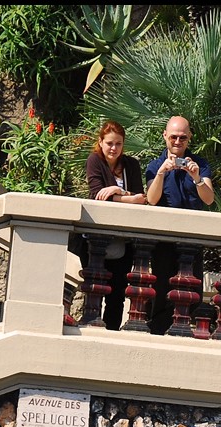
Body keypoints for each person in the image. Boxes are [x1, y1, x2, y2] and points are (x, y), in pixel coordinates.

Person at [142, 116, 215, 333]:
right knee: (162, 289)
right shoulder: (155, 166)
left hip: (193, 239)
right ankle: (159, 330)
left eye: (182, 137)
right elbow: (151, 199)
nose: (177, 141)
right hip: (164, 240)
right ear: (165, 136)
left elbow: (209, 198)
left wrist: (197, 178)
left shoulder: (200, 164)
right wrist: (162, 173)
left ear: (189, 138)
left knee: (194, 294)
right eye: (173, 136)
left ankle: (169, 328)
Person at [83, 120, 146, 330]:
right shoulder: (94, 160)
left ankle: (111, 331)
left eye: (118, 144)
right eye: (109, 143)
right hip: (97, 237)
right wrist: (124, 195)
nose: (113, 148)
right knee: (95, 287)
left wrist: (118, 192)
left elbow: (141, 198)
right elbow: (96, 195)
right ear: (100, 142)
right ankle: (91, 326)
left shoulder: (131, 165)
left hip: (124, 238)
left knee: (117, 292)